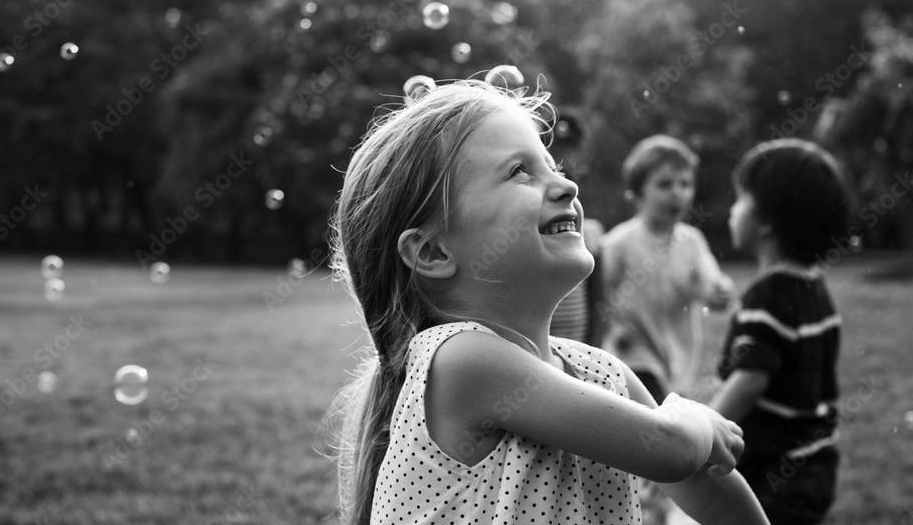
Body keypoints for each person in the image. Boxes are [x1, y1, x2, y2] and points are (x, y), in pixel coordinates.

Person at [323, 80, 769, 525]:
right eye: (520, 171)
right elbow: (672, 450)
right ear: (434, 253)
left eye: (553, 166)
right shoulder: (458, 359)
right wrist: (694, 417)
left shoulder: (600, 371)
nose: (566, 185)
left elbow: (704, 491)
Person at [710, 139, 850, 525]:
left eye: (741, 199)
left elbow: (751, 378)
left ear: (766, 221)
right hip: (815, 466)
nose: (733, 210)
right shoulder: (814, 288)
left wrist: (702, 433)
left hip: (774, 474)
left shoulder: (768, 294)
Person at [599, 135, 734, 403]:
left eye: (685, 184)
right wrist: (610, 331)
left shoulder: (692, 242)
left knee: (665, 418)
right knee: (656, 416)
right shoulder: (619, 243)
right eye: (664, 184)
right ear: (637, 194)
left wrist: (720, 291)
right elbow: (597, 294)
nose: (677, 193)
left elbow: (710, 281)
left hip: (678, 358)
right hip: (632, 355)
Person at [547, 108, 606, 346]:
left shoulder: (590, 234)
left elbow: (598, 301)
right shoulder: (528, 231)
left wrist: (594, 351)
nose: (564, 160)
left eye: (570, 151)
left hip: (578, 349)